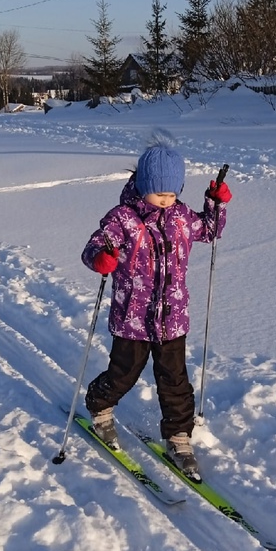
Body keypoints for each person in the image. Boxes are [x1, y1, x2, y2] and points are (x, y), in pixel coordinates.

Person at [81, 137, 232, 480]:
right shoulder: (122, 219)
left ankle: (179, 436)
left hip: (172, 319)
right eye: (159, 193)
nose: (166, 200)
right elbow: (94, 247)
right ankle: (100, 406)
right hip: (132, 319)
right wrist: (101, 258)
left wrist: (215, 203)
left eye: (172, 194)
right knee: (124, 373)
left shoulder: (179, 217)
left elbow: (209, 230)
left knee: (175, 380)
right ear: (143, 185)